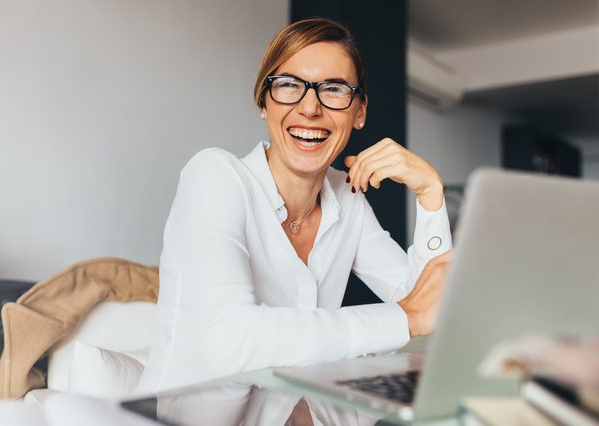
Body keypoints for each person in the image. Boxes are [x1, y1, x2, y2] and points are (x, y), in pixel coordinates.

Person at [138, 18, 452, 393]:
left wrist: (431, 194)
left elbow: (434, 309)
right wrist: (404, 319)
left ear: (359, 111)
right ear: (263, 102)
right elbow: (230, 341)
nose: (310, 108)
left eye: (334, 89)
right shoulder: (214, 176)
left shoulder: (347, 198)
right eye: (289, 85)